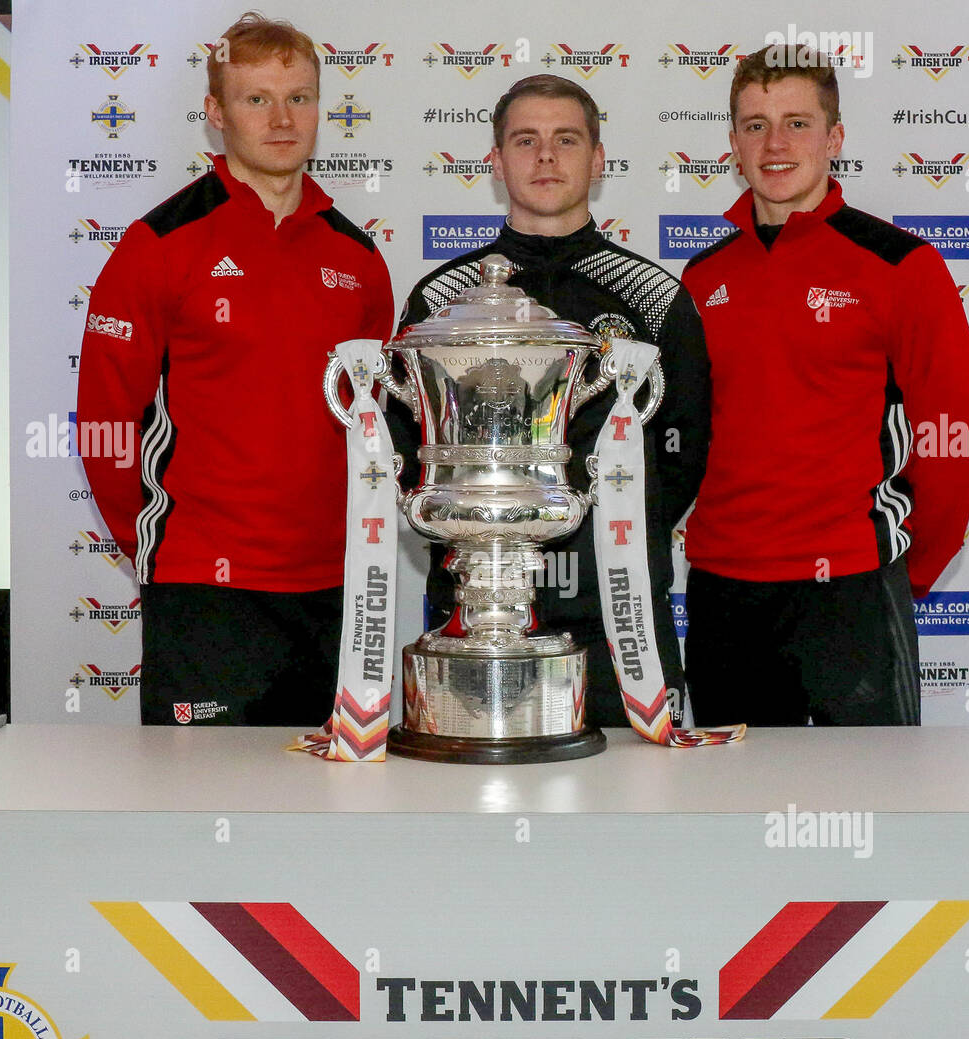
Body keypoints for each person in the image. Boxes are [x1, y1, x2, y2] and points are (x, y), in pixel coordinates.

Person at [77, 12, 393, 726]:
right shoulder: (159, 245)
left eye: (300, 98)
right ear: (217, 114)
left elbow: (375, 429)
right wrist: (164, 548)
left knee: (320, 817)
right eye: (256, 99)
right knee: (197, 815)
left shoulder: (359, 259)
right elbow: (105, 426)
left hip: (333, 588)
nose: (282, 119)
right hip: (205, 591)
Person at [388, 74, 711, 728]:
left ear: (597, 159)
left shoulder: (652, 297)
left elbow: (682, 448)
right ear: (496, 161)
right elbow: (409, 447)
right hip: (475, 603)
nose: (544, 157)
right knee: (472, 798)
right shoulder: (442, 300)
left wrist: (606, 537)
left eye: (566, 140)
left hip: (618, 610)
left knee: (632, 807)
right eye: (525, 140)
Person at [681, 47, 969, 727]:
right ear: (733, 144)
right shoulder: (701, 278)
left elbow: (952, 441)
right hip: (725, 595)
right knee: (735, 815)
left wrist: (906, 571)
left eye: (797, 123)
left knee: (881, 813)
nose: (776, 143)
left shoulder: (901, 265)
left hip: (850, 592)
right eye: (755, 125)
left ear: (835, 138)